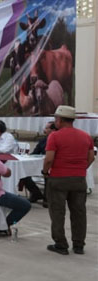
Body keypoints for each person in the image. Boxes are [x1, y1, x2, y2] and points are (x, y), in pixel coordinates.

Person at [43, 106, 95, 255]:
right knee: (79, 213)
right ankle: (78, 245)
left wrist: (45, 172)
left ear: (59, 120)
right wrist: (80, 169)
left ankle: (61, 244)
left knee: (58, 213)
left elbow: (49, 159)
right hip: (79, 179)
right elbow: (91, 157)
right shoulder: (86, 136)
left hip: (58, 178)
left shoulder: (54, 136)